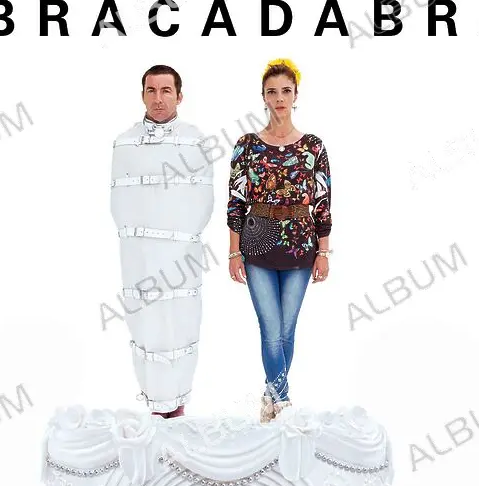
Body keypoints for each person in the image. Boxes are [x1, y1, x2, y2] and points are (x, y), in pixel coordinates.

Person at [227, 59, 332, 423]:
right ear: (263, 97)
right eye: (272, 92)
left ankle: (271, 399)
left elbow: (323, 201)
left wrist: (324, 251)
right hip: (257, 244)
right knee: (271, 328)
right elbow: (236, 201)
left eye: (286, 91)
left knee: (287, 330)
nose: (279, 98)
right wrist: (233, 253)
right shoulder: (246, 145)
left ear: (296, 95)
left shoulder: (313, 146)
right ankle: (283, 402)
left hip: (301, 246)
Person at [110, 65, 213, 418]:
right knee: (147, 324)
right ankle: (155, 405)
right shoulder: (124, 143)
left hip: (181, 257)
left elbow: (201, 201)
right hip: (139, 258)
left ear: (179, 96)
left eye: (166, 90)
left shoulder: (196, 140)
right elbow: (120, 202)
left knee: (180, 322)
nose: (158, 98)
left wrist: (178, 244)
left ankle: (178, 405)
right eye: (151, 90)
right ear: (142, 95)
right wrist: (138, 244)